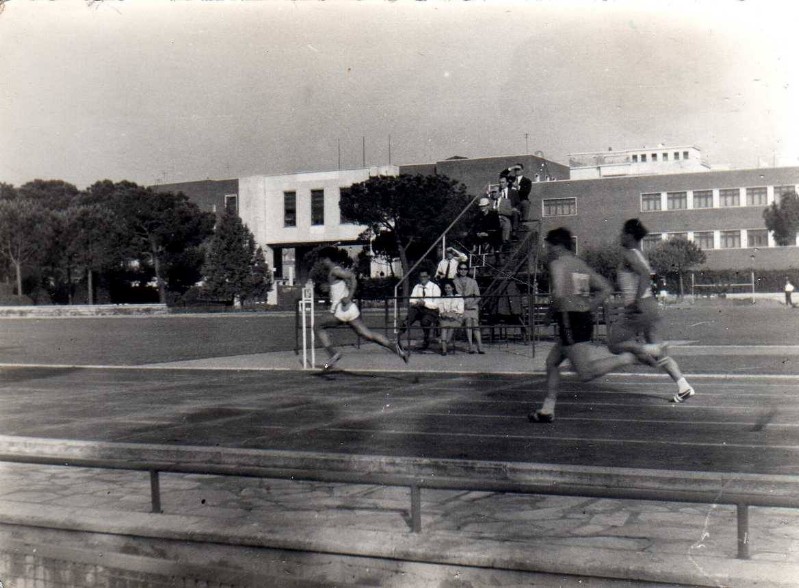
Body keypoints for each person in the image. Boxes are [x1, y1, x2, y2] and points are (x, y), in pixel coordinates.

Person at [529, 228, 636, 423]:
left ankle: (627, 358)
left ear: (557, 245)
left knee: (585, 372)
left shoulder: (558, 263)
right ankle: (547, 409)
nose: (547, 250)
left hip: (570, 319)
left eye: (548, 246)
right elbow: (606, 288)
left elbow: (559, 294)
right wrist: (588, 306)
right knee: (552, 363)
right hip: (579, 318)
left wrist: (548, 315)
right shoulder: (580, 264)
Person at [607, 219, 695, 403]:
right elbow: (645, 275)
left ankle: (650, 349)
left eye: (623, 233)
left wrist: (636, 302)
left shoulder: (630, 254)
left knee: (614, 344)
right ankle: (683, 385)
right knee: (659, 354)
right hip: (650, 307)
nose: (620, 236)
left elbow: (645, 275)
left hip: (640, 307)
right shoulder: (639, 254)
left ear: (630, 235)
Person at [313, 247, 409, 370]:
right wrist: (331, 290)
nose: (321, 263)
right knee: (367, 334)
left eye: (322, 260)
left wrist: (349, 296)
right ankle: (394, 347)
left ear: (327, 259)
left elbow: (352, 277)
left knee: (318, 325)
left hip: (342, 311)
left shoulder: (335, 271)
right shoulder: (334, 273)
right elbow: (342, 286)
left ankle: (333, 354)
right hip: (349, 309)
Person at [397, 269, 441, 351]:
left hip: (431, 310)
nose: (422, 278)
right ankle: (398, 337)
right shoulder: (417, 287)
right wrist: (416, 303)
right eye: (421, 277)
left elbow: (436, 304)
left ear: (429, 277)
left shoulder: (435, 287)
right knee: (410, 315)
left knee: (425, 321)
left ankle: (426, 339)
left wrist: (424, 303)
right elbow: (412, 300)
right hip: (419, 309)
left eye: (424, 276)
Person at [453, 262, 485, 354]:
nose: (463, 271)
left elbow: (478, 297)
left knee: (474, 322)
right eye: (461, 269)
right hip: (461, 305)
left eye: (465, 269)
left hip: (472, 304)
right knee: (468, 321)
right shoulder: (455, 282)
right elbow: (454, 296)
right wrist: (461, 304)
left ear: (467, 270)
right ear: (458, 270)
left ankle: (480, 345)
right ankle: (470, 345)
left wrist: (471, 304)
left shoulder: (473, 281)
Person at [437, 281, 465, 356]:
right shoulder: (442, 298)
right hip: (445, 317)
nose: (447, 289)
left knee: (451, 327)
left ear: (452, 288)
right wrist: (444, 314)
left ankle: (445, 344)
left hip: (455, 317)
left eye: (449, 288)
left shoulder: (458, 297)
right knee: (444, 327)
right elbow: (441, 310)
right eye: (446, 288)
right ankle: (444, 350)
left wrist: (453, 315)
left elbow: (460, 310)